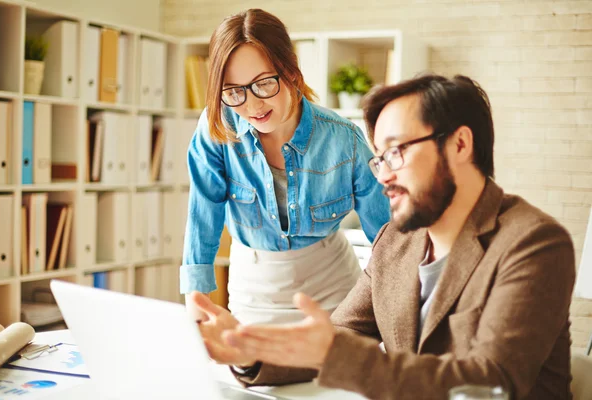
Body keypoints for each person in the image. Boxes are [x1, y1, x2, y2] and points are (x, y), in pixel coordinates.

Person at [190, 74, 576, 399]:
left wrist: (337, 354)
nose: (383, 175)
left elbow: (492, 382)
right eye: (380, 157)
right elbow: (338, 334)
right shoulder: (396, 241)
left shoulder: (533, 243)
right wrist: (250, 352)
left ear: (460, 144)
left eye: (397, 152)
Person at [180, 8, 390, 325]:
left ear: (290, 70)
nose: (252, 106)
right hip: (253, 296)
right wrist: (197, 302)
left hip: (334, 297)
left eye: (263, 84)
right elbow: (203, 216)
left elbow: (388, 237)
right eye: (233, 91)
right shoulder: (217, 130)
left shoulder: (343, 140)